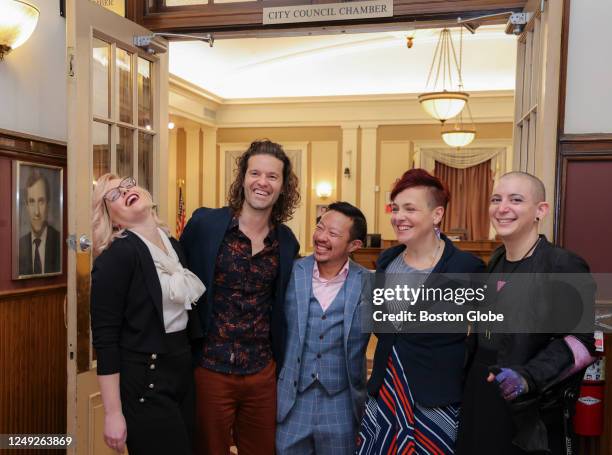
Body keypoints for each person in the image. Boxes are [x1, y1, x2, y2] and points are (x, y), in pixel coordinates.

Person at [456, 171, 596, 455]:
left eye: (516, 200)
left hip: (526, 403)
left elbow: (583, 342)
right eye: (496, 199)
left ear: (540, 211)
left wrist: (526, 378)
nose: (502, 208)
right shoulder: (496, 259)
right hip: (480, 391)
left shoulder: (563, 265)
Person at [180, 139, 301, 455]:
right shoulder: (205, 224)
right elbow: (175, 273)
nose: (262, 182)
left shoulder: (286, 242)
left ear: (283, 186)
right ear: (243, 178)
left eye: (272, 176)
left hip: (262, 371)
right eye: (255, 173)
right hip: (210, 368)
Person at [357, 168, 485, 455]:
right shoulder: (387, 261)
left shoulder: (465, 268)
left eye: (410, 209)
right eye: (396, 208)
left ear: (437, 214)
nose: (399, 217)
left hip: (436, 397)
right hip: (385, 391)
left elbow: (482, 337)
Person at [90, 174, 205, 454]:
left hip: (182, 374)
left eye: (127, 184)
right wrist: (112, 414)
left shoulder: (173, 246)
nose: (125, 191)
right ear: (112, 219)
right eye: (114, 194)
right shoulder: (117, 257)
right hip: (145, 381)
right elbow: (105, 340)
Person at [276, 202, 371, 455]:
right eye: (320, 227)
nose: (321, 237)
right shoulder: (291, 272)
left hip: (341, 401)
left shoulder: (369, 283)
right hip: (292, 400)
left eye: (333, 233)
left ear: (354, 245)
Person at [19, 170, 60, 276]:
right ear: (26, 205)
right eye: (32, 202)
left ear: (48, 204)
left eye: (41, 201)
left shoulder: (59, 242)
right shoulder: (19, 245)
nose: (36, 212)